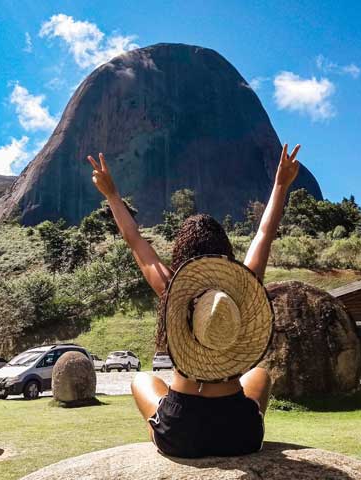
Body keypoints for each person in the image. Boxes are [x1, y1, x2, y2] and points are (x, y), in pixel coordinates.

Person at [86, 143, 301, 458]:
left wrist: (111, 194)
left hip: (181, 431)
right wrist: (281, 184)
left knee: (142, 380)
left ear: (182, 255)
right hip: (240, 432)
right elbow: (262, 236)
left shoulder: (173, 291)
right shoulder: (241, 293)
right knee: (260, 375)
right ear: (224, 251)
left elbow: (135, 240)